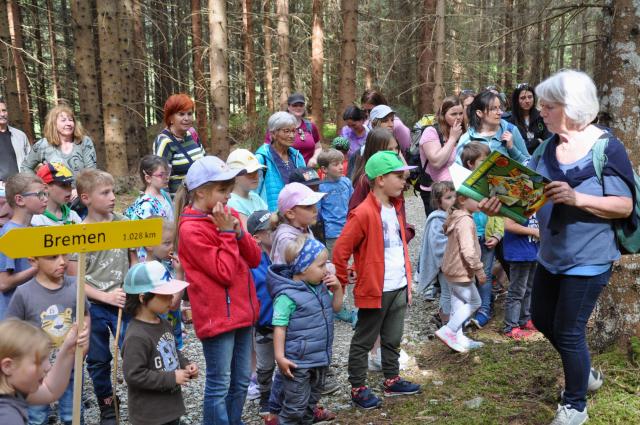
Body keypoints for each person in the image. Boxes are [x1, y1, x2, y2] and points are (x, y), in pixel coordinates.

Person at [522, 70, 633, 424]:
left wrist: (576, 197)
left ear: (570, 108)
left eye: (548, 105)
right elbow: (530, 196)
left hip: (589, 258)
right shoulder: (547, 145)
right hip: (551, 255)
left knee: (570, 330)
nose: (541, 110)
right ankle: (581, 370)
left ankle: (575, 406)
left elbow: (624, 205)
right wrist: (501, 202)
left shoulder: (607, 149)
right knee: (541, 318)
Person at [174, 156, 261, 425]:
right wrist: (225, 233)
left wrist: (237, 233)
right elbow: (223, 272)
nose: (229, 195)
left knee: (240, 381)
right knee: (219, 384)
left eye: (229, 188)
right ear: (201, 192)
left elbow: (255, 258)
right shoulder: (190, 229)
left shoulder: (226, 214)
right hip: (217, 318)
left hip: (243, 313)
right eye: (223, 190)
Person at [333, 151, 421, 409]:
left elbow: (399, 246)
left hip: (398, 285)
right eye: (399, 176)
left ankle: (391, 380)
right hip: (376, 289)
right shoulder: (362, 213)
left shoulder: (395, 207)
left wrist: (407, 280)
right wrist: (341, 282)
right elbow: (340, 250)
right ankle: (358, 387)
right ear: (380, 179)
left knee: (393, 337)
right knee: (364, 339)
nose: (404, 181)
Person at [66, 168, 137, 425]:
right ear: (85, 198)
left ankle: (142, 400)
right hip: (92, 305)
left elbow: (133, 259)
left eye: (113, 191)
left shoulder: (123, 223)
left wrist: (132, 289)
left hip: (124, 302)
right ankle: (107, 403)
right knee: (98, 360)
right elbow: (75, 279)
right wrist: (106, 297)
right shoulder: (78, 232)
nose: (112, 197)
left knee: (133, 352)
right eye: (104, 193)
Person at [6, 253, 91, 425]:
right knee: (37, 416)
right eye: (52, 257)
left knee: (72, 413)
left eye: (64, 256)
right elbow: (12, 330)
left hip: (70, 362)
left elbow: (84, 314)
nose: (62, 262)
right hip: (35, 367)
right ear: (33, 261)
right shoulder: (23, 293)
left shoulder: (75, 286)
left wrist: (86, 335)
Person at [268, 235, 344, 424]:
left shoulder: (319, 287)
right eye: (320, 266)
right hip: (298, 363)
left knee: (311, 403)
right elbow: (279, 328)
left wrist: (339, 290)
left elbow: (335, 308)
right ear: (302, 268)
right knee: (295, 407)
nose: (326, 270)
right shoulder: (286, 296)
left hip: (320, 358)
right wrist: (280, 357)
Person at [121, 261, 197, 425]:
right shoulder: (136, 336)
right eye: (165, 295)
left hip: (170, 409)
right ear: (143, 298)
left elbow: (173, 351)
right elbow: (134, 375)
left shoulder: (164, 324)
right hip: (151, 416)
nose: (171, 298)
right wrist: (171, 378)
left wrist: (185, 365)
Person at [0, 319, 87, 425]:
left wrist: (68, 350)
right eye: (40, 361)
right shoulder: (7, 416)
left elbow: (50, 390)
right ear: (8, 366)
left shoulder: (12, 391)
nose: (48, 367)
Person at [435, 188, 485, 354]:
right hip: (460, 270)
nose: (481, 202)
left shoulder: (456, 216)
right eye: (478, 198)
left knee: (459, 303)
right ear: (463, 200)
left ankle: (459, 337)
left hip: (452, 269)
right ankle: (449, 330)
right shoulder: (465, 221)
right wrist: (479, 270)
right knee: (474, 302)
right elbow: (468, 250)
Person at [460, 142, 504, 330]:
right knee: (468, 274)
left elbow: (500, 212)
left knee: (484, 275)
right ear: (470, 164)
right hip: (468, 238)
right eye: (483, 161)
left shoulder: (493, 183)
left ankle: (484, 310)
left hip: (486, 239)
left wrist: (497, 234)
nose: (488, 164)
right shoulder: (461, 184)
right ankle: (465, 311)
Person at [0, 174, 46, 319]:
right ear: (20, 200)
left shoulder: (32, 229)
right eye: (39, 194)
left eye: (45, 194)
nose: (45, 199)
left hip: (31, 311)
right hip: (12, 317)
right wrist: (38, 267)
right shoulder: (9, 234)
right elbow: (4, 283)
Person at [245, 210, 277, 421]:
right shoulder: (252, 263)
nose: (277, 232)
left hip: (289, 323)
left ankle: (289, 394)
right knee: (265, 366)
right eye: (272, 229)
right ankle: (266, 395)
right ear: (256, 237)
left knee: (291, 361)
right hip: (264, 324)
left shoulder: (285, 253)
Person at [20, 104, 97, 180]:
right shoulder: (42, 145)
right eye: (63, 120)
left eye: (71, 120)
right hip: (54, 192)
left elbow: (91, 172)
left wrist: (78, 190)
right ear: (53, 124)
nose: (68, 123)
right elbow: (25, 167)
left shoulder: (84, 141)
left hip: (82, 191)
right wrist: (38, 185)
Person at [418, 96, 465, 216]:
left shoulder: (462, 131)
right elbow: (437, 162)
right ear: (443, 115)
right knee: (440, 229)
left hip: (458, 190)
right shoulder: (431, 132)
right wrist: (453, 138)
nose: (458, 117)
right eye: (453, 114)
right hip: (436, 193)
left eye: (461, 113)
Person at [142, 219, 185, 350]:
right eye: (167, 243)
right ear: (149, 245)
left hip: (167, 333)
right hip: (162, 338)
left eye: (174, 242)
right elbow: (173, 304)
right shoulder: (155, 272)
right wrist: (180, 274)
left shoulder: (158, 267)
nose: (172, 247)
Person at [456, 90, 530, 165]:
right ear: (479, 113)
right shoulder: (467, 138)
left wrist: (511, 148)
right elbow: (459, 170)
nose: (500, 112)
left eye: (499, 108)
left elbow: (528, 163)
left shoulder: (510, 130)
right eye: (494, 109)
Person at [153, 94, 206, 193]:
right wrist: (169, 205)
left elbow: (204, 162)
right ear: (170, 118)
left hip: (199, 201)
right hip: (178, 203)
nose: (187, 118)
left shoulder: (192, 134)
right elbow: (160, 180)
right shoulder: (165, 141)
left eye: (189, 114)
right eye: (181, 114)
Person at [417, 181, 456, 318]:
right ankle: (446, 322)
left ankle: (454, 321)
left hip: (456, 263)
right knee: (447, 293)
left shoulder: (455, 215)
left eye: (454, 196)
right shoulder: (437, 219)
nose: (453, 200)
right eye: (448, 198)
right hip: (445, 263)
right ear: (438, 202)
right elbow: (437, 244)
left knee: (456, 293)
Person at [256, 112, 306, 212]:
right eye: (286, 131)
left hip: (297, 217)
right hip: (272, 218)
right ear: (273, 134)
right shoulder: (261, 159)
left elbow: (305, 187)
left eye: (293, 131)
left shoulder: (297, 157)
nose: (291, 135)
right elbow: (253, 193)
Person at [502, 216, 539, 340]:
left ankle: (525, 319)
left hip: (533, 252)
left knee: (529, 289)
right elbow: (508, 224)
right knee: (517, 292)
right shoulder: (519, 202)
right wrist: (535, 232)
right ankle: (511, 327)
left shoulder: (538, 204)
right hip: (519, 254)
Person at [270, 183, 325, 266]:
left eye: (314, 205)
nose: (315, 210)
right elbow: (304, 270)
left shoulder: (304, 228)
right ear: (290, 214)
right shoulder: (286, 239)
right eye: (308, 206)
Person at [265, 93, 321, 166]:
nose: (298, 108)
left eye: (301, 105)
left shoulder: (310, 126)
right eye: (295, 105)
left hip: (308, 172)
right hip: (285, 171)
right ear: (288, 107)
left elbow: (318, 147)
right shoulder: (277, 126)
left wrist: (314, 158)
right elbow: (267, 150)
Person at [0, 98, 30, 226]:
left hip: (20, 189)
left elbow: (30, 161)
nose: (2, 114)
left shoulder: (19, 135)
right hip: (0, 192)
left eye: (4, 110)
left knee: (22, 224)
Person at [317, 149, 353, 254]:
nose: (341, 167)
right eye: (336, 164)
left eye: (341, 163)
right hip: (331, 233)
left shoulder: (346, 182)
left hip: (348, 229)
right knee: (334, 261)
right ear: (324, 169)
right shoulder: (320, 187)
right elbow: (317, 211)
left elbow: (353, 202)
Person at [125, 155, 174, 223]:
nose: (166, 177)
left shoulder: (164, 194)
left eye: (167, 173)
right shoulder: (145, 206)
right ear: (148, 178)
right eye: (161, 175)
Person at [505, 83, 551, 154]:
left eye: (530, 97)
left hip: (540, 157)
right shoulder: (509, 120)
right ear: (516, 100)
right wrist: (536, 141)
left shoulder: (541, 117)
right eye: (523, 98)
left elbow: (548, 141)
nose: (527, 101)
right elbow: (512, 146)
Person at [226, 148, 268, 227]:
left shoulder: (255, 197)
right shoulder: (232, 202)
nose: (256, 176)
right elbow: (247, 233)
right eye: (250, 173)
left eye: (256, 171)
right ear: (234, 176)